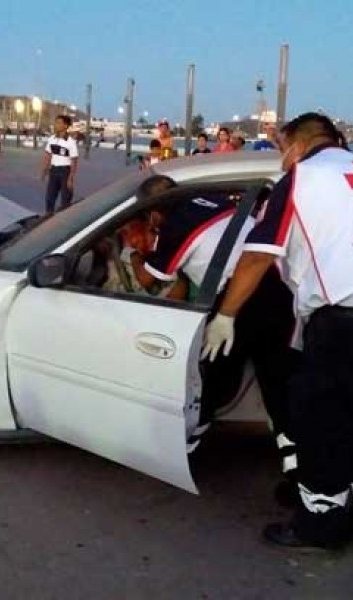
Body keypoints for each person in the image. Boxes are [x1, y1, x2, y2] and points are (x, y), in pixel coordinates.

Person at [203, 113, 353, 554]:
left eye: (280, 148)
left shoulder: (302, 177)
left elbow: (258, 254)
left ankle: (321, 527)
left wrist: (226, 315)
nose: (281, 159)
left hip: (347, 323)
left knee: (323, 425)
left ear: (296, 142)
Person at [126, 176, 298, 468]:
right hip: (277, 293)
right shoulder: (218, 203)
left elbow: (151, 279)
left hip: (238, 299)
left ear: (154, 211)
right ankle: (297, 469)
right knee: (277, 383)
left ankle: (186, 452)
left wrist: (132, 256)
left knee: (210, 378)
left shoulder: (174, 226)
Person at [40, 114, 79, 214]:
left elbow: (74, 161)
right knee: (49, 197)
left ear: (65, 126)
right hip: (53, 171)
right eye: (55, 122)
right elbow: (48, 155)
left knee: (65, 199)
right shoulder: (52, 139)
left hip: (65, 172)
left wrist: (70, 178)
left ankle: (64, 219)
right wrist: (44, 170)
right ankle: (48, 216)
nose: (55, 125)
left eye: (58, 123)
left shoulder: (70, 142)